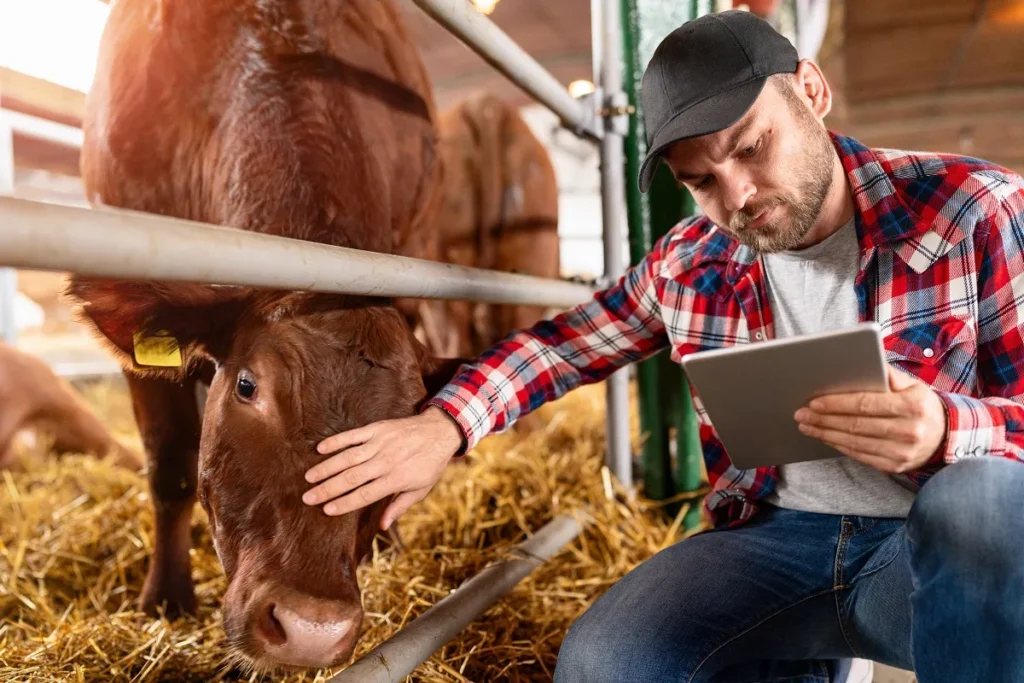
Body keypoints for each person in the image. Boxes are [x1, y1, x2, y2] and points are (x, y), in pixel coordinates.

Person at [301, 10, 1024, 683]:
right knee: (604, 661)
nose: (736, 196)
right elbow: (563, 346)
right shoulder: (689, 261)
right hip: (776, 541)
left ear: (812, 90)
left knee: (985, 500)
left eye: (752, 147)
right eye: (700, 181)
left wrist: (946, 427)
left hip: (927, 551)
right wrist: (445, 425)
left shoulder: (976, 212)